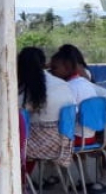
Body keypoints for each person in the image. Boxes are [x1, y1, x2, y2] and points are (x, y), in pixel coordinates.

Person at [50, 45, 106, 194]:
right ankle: (83, 179)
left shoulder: (70, 86)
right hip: (91, 132)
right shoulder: (83, 82)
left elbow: (66, 116)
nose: (51, 71)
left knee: (44, 139)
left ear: (68, 66)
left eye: (54, 68)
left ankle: (56, 178)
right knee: (73, 132)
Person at [18, 47, 76, 175]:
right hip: (63, 145)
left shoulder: (24, 90)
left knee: (0, 143)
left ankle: (17, 184)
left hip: (37, 147)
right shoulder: (63, 84)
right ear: (44, 64)